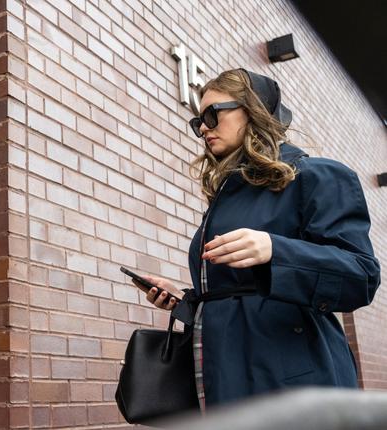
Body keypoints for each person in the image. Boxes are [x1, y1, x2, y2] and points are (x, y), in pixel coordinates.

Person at [133, 69, 381, 410]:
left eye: (211, 115)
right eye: (197, 122)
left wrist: (275, 250)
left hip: (293, 383)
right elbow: (237, 295)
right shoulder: (228, 194)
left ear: (252, 110)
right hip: (227, 376)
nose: (203, 127)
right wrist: (186, 301)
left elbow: (361, 277)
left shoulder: (317, 176)